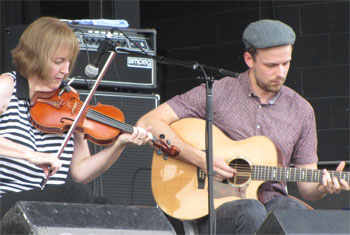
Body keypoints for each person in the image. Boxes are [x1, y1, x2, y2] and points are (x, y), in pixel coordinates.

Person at [137, 19, 349, 234]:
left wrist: (323, 188)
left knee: (293, 212)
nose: (281, 73)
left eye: (286, 63)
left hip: (272, 203)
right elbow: (149, 123)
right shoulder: (217, 92)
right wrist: (201, 159)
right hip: (216, 208)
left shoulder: (301, 110)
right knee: (250, 211)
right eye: (271, 65)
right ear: (249, 59)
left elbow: (308, 188)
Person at [0, 16, 153, 218]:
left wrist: (118, 145)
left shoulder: (70, 99)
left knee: (121, 211)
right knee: (76, 193)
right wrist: (29, 154)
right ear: (35, 56)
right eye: (58, 61)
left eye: (69, 62)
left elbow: (81, 172)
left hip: (48, 204)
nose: (65, 70)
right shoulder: (7, 86)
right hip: (7, 201)